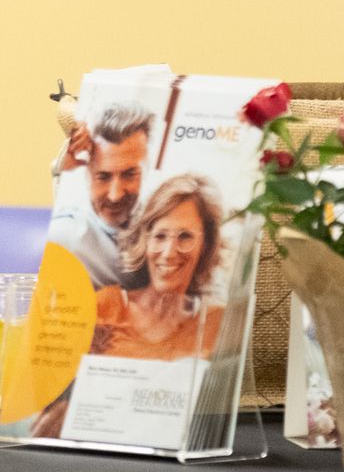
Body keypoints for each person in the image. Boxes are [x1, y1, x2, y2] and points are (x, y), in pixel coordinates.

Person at [90, 174, 227, 360]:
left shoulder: (217, 323)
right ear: (145, 241)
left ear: (206, 244)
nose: (169, 253)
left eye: (185, 236)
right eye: (160, 236)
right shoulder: (103, 307)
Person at [49, 102, 153, 286]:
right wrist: (59, 172)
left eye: (129, 174)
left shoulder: (164, 227)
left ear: (147, 169)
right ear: (86, 172)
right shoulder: (67, 235)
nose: (115, 195)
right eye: (103, 177)